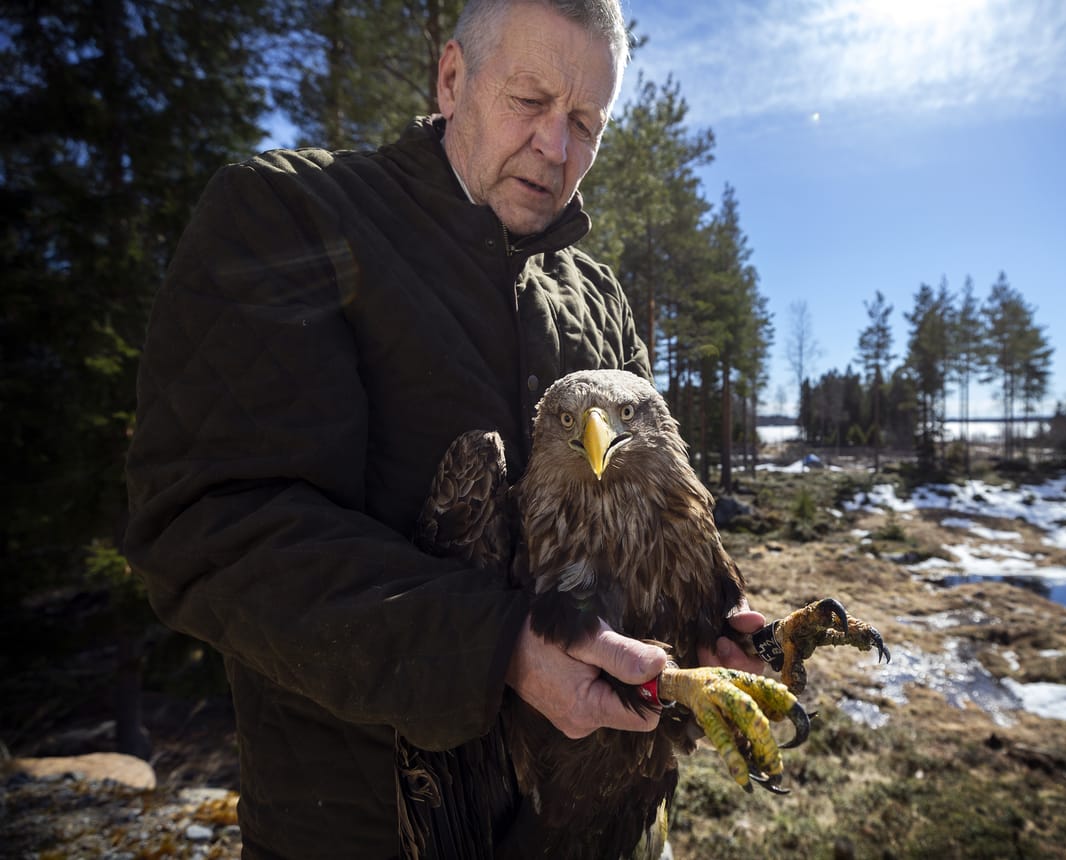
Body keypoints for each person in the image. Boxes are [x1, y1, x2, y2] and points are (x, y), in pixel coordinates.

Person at [124, 1, 765, 857]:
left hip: (606, 825)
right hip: (363, 832)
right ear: (454, 78)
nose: (557, 147)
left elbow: (638, 516)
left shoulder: (599, 299)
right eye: (531, 100)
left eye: (586, 121)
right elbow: (206, 530)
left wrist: (710, 622)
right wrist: (498, 647)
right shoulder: (289, 217)